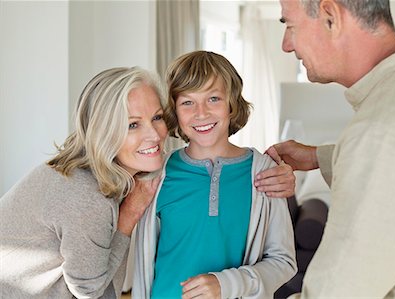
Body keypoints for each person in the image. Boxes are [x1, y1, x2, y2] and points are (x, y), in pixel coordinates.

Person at [261, 0, 395, 297]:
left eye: (289, 25)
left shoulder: (381, 133)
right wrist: (318, 157)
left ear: (330, 17)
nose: (286, 45)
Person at [132, 50, 297, 299]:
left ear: (232, 104)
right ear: (174, 111)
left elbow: (284, 262)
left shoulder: (265, 173)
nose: (201, 113)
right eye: (188, 102)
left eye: (214, 99)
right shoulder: (157, 174)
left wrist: (227, 283)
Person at [0, 67, 168, 298]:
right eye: (132, 124)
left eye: (157, 117)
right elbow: (89, 291)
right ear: (103, 132)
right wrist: (128, 216)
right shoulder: (84, 192)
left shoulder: (93, 171)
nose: (155, 134)